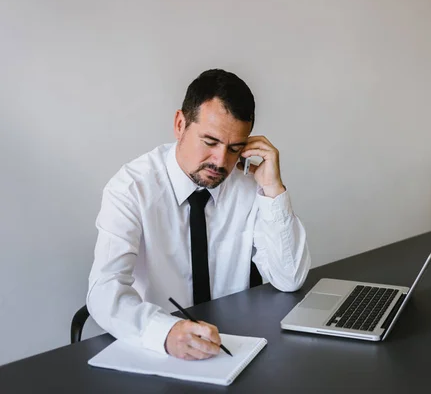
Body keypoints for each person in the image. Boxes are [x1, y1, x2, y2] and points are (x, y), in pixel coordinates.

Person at [87, 69, 311, 360]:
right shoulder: (131, 188)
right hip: (158, 348)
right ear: (180, 124)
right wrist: (165, 333)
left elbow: (289, 278)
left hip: (233, 347)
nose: (220, 162)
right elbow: (104, 290)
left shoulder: (247, 184)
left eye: (234, 148)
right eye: (210, 142)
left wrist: (273, 189)